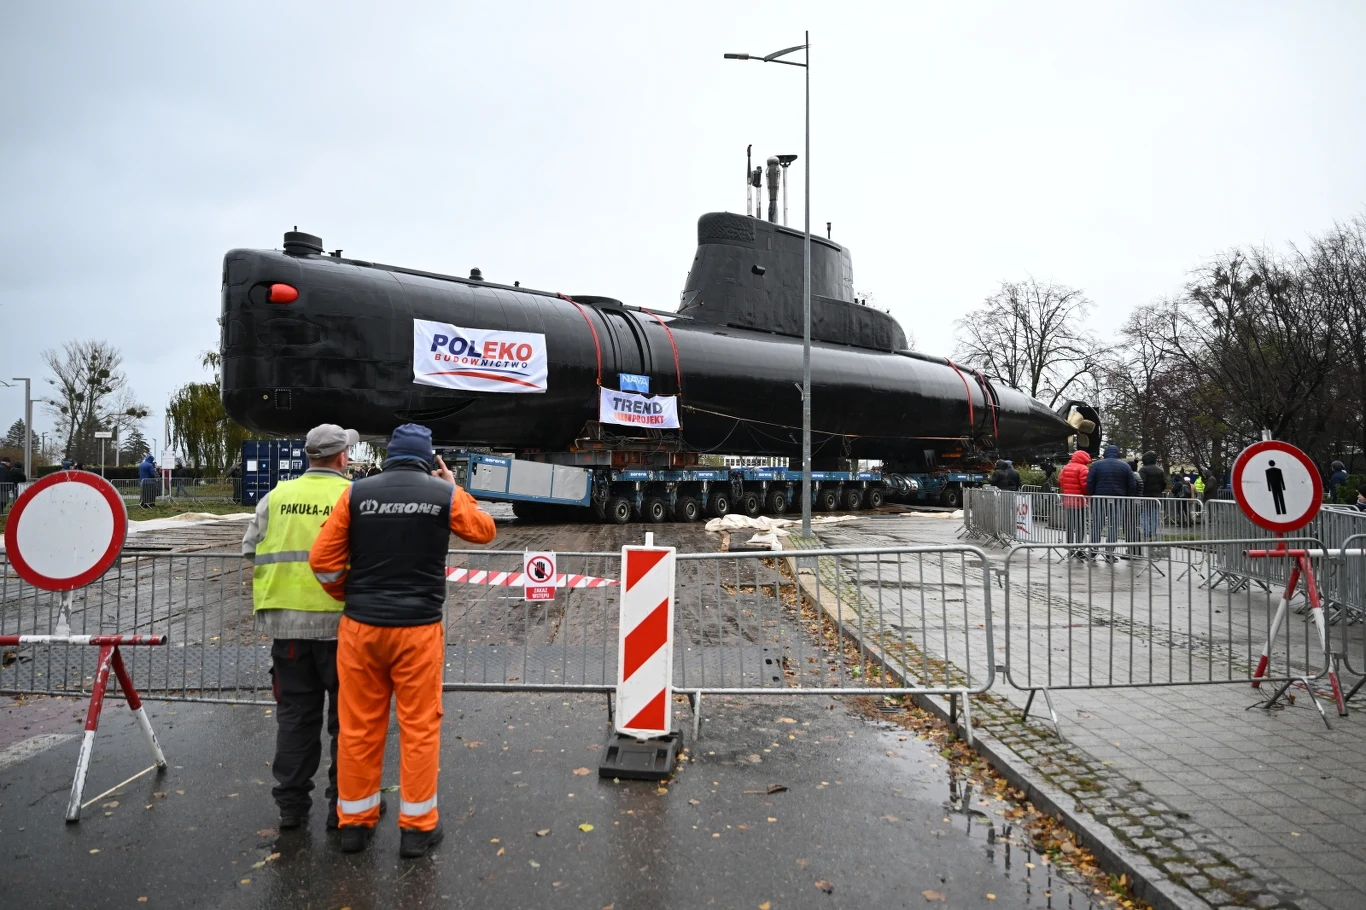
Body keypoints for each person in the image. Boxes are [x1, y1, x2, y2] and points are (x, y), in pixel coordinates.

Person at [309, 423, 497, 858]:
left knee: (357, 728)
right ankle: (417, 829)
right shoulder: (443, 494)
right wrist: (454, 487)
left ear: (389, 455)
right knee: (419, 729)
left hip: (361, 630)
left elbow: (322, 561)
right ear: (429, 459)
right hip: (418, 631)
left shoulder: (356, 494)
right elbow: (484, 530)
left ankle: (354, 825)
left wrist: (348, 595)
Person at [242, 424, 362, 831]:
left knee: (295, 718)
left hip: (288, 627)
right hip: (344, 626)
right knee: (349, 724)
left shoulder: (276, 496)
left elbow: (250, 549)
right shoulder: (353, 497)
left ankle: (292, 809)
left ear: (309, 455)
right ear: (342, 457)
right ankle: (344, 809)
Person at [1088, 445, 1136, 559]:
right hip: (1118, 499)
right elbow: (1132, 484)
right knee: (1113, 525)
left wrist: (1092, 494)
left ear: (1105, 453)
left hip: (1099, 498)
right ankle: (1109, 552)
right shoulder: (1125, 466)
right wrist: (1128, 496)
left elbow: (1090, 481)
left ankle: (1093, 551)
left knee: (1097, 524)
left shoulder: (1096, 465)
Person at [1058, 450, 1091, 556]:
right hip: (1080, 501)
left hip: (1068, 500)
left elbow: (1061, 481)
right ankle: (1079, 549)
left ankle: (1070, 549)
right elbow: (1085, 486)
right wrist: (1088, 495)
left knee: (1070, 525)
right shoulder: (1083, 468)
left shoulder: (1066, 467)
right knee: (1080, 526)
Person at [1138, 451, 1167, 538]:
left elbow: (1141, 482)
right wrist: (1159, 491)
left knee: (1144, 515)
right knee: (1154, 515)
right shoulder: (1160, 470)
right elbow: (1164, 483)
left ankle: (1146, 532)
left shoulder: (1143, 470)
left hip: (1145, 496)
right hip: (1156, 497)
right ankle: (1153, 532)